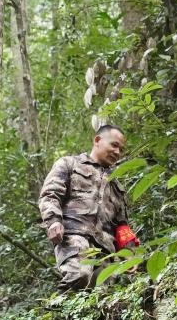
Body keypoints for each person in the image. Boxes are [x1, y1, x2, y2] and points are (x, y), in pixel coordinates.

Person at [38, 124, 140, 291]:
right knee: (78, 276)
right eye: (114, 145)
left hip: (106, 249)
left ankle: (66, 313)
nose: (117, 152)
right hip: (74, 237)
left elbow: (122, 226)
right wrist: (54, 221)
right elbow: (50, 195)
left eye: (121, 149)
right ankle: (58, 312)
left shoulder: (116, 185)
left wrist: (129, 254)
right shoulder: (70, 164)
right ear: (97, 140)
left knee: (100, 297)